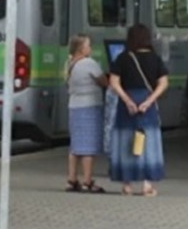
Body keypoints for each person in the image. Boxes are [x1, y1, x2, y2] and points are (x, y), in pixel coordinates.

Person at [107, 24, 169, 197]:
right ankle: (146, 185)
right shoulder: (155, 59)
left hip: (127, 105)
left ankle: (127, 185)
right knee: (147, 142)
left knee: (126, 142)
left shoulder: (123, 58)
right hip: (146, 103)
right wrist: (149, 101)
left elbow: (113, 82)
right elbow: (163, 83)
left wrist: (127, 100)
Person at [65, 34, 109, 193]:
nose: (90, 48)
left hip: (74, 106)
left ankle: (71, 180)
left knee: (75, 145)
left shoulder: (69, 64)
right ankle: (87, 181)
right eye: (88, 45)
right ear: (81, 48)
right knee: (88, 146)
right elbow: (104, 81)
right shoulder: (89, 63)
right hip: (90, 106)